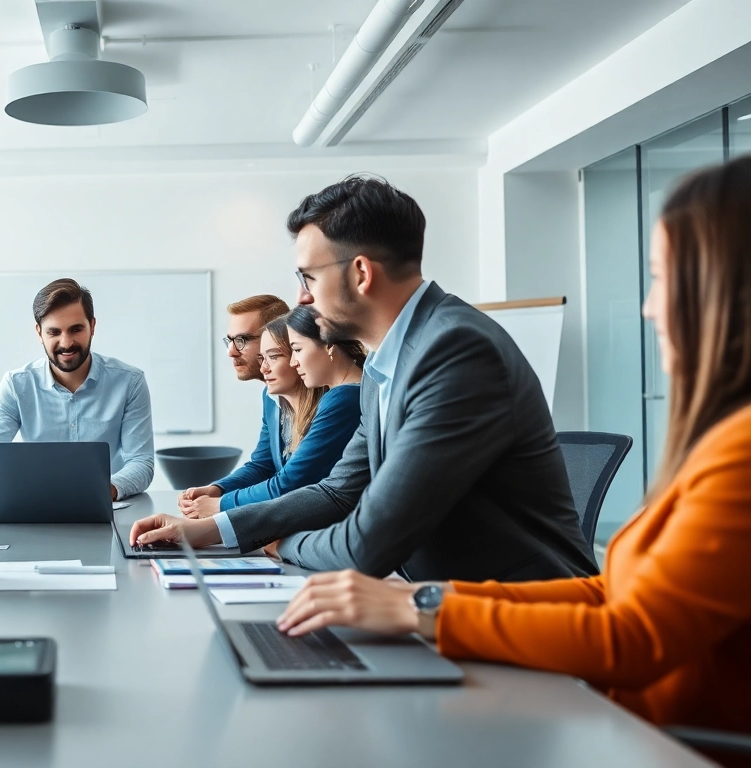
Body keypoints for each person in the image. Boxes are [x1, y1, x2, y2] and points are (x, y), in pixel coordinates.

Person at [274, 156, 751, 753]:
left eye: (661, 277)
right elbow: (612, 596)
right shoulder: (724, 441)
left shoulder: (742, 454)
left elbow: (631, 634)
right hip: (620, 716)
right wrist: (426, 600)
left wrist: (423, 609)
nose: (648, 308)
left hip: (654, 741)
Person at [131, 175, 597, 583]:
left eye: (308, 277)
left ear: (360, 273)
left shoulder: (456, 351)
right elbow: (338, 490)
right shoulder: (382, 367)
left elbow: (367, 544)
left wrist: (276, 542)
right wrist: (208, 530)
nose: (300, 296)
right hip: (438, 598)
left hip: (527, 620)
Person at [0, 277, 154, 501]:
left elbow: (141, 462)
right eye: (54, 332)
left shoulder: (130, 382)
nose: (66, 343)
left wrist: (105, 490)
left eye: (76, 329)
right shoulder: (16, 385)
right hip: (36, 504)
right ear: (39, 333)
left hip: (106, 506)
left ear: (92, 326)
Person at [180, 306, 362, 518]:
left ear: (328, 345)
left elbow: (289, 483)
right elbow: (262, 466)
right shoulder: (271, 398)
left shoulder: (341, 398)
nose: (264, 368)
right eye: (261, 359)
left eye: (275, 356)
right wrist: (219, 489)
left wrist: (221, 504)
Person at [223, 294, 290, 383]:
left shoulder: (309, 393)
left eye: (243, 339)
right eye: (231, 340)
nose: (231, 353)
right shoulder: (269, 395)